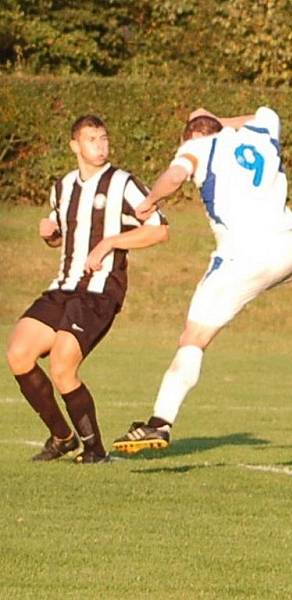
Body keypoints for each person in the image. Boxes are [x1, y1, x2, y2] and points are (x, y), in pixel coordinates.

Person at [112, 106, 292, 453]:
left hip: (242, 256)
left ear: (193, 136)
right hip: (287, 244)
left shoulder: (198, 146)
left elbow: (175, 176)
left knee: (193, 337)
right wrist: (215, 121)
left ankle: (159, 423)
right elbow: (263, 114)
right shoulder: (263, 130)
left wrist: (151, 200)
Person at [5, 114, 169, 463]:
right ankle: (62, 437)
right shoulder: (62, 187)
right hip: (63, 287)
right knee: (19, 354)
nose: (101, 145)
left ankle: (94, 450)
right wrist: (51, 234)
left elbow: (158, 229)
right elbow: (65, 237)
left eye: (104, 138)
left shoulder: (123, 183)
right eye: (92, 139)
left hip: (100, 290)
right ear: (75, 146)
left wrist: (111, 243)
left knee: (63, 366)